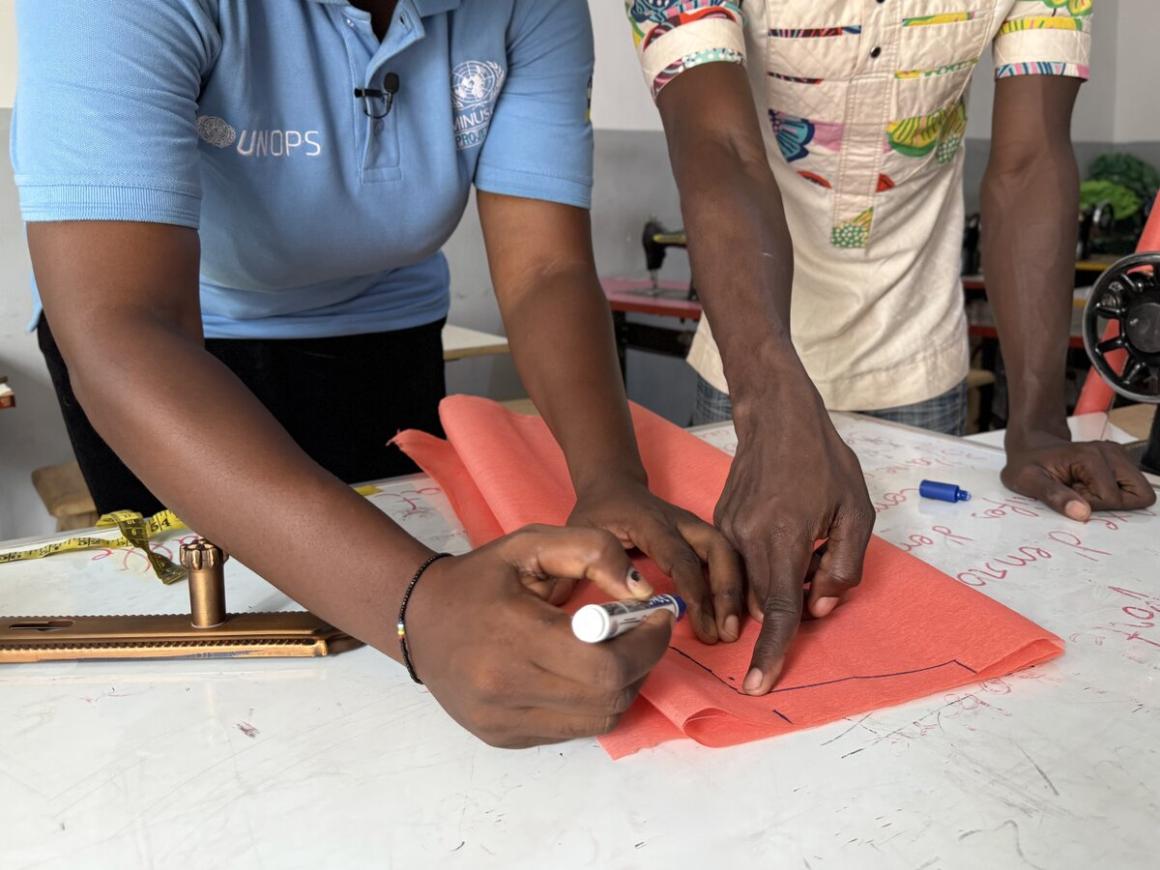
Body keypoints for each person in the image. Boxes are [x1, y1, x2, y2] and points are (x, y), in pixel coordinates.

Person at [12, 0, 751, 748]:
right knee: (224, 696)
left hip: (383, 340)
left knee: (397, 694)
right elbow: (122, 328)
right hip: (170, 363)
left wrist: (608, 481)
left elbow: (545, 270)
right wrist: (416, 604)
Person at [628, 0, 1156, 694]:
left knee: (907, 670)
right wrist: (771, 411)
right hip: (748, 368)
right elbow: (717, 145)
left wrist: (1035, 424)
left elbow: (1029, 164)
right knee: (745, 645)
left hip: (917, 368)